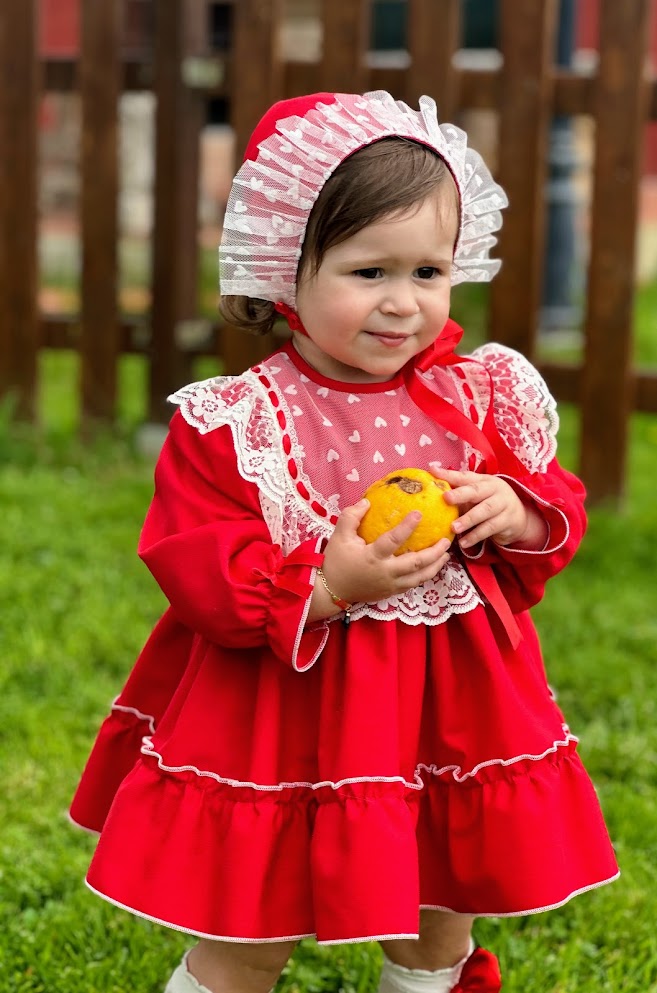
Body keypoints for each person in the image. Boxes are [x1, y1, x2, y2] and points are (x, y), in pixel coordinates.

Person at [70, 91, 619, 993]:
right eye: (369, 273)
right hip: (282, 721)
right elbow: (197, 563)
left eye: (429, 272)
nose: (403, 304)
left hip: (445, 711)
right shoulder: (242, 421)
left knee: (437, 911)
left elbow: (552, 518)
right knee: (249, 928)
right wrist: (327, 581)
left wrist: (511, 513)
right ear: (285, 267)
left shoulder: (475, 394)